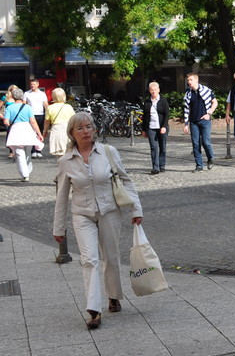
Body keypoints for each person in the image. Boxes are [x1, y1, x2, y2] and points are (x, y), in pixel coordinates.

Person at [53, 112, 142, 329]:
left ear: (95, 129)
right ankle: (94, 309)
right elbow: (62, 196)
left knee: (110, 256)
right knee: (89, 259)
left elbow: (125, 179)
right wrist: (59, 228)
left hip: (109, 211)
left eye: (89, 127)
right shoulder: (66, 161)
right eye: (80, 128)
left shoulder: (108, 152)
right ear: (72, 133)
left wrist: (136, 209)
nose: (85, 131)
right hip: (82, 214)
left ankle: (113, 295)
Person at [3, 87, 44, 181]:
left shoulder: (9, 107)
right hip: (27, 129)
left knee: (19, 153)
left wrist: (10, 124)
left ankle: (24, 174)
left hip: (16, 129)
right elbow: (33, 122)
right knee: (28, 152)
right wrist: (39, 133)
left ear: (13, 96)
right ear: (22, 96)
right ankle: (28, 170)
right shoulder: (28, 107)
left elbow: (6, 122)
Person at [181, 73, 218, 172]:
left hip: (204, 120)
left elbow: (215, 102)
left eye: (191, 80)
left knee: (206, 142)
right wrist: (186, 124)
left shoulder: (206, 90)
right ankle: (199, 165)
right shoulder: (188, 93)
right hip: (193, 121)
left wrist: (209, 114)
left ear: (196, 80)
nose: (189, 82)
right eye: (188, 80)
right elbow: (186, 109)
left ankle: (210, 158)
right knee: (195, 144)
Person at [141, 81, 169, 174]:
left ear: (158, 90)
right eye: (152, 90)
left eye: (155, 90)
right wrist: (143, 129)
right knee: (153, 147)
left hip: (161, 127)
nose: (154, 92)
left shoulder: (163, 100)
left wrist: (164, 126)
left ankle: (162, 165)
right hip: (151, 127)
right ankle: (155, 167)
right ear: (149, 91)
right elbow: (144, 116)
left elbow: (166, 114)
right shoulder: (147, 102)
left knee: (163, 147)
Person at [43, 87, 75, 157]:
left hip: (56, 130)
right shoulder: (68, 107)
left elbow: (47, 121)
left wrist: (45, 131)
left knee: (59, 154)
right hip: (67, 130)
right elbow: (74, 119)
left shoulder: (50, 108)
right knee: (69, 152)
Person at [24, 78, 49, 158]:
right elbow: (24, 104)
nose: (32, 86)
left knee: (40, 133)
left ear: (38, 85)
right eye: (31, 84)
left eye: (34, 84)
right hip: (31, 115)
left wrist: (48, 112)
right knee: (32, 132)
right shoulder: (27, 93)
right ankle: (33, 151)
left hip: (40, 114)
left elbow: (45, 104)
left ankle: (39, 150)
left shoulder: (42, 94)